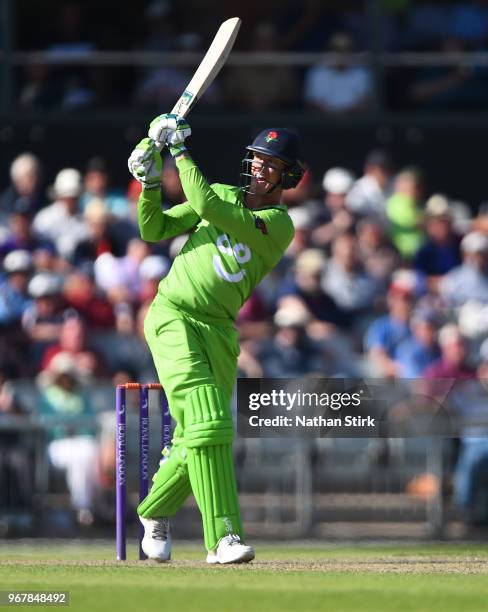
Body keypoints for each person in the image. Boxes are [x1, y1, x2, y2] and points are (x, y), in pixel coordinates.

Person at [127, 117, 304, 564]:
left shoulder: (279, 224)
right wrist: (149, 182)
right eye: (258, 161)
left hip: (220, 330)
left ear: (288, 176)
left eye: (273, 166)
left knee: (202, 432)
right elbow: (154, 230)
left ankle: (154, 511)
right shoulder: (222, 194)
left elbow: (205, 203)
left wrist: (180, 152)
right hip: (173, 317)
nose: (262, 170)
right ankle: (223, 538)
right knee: (208, 421)